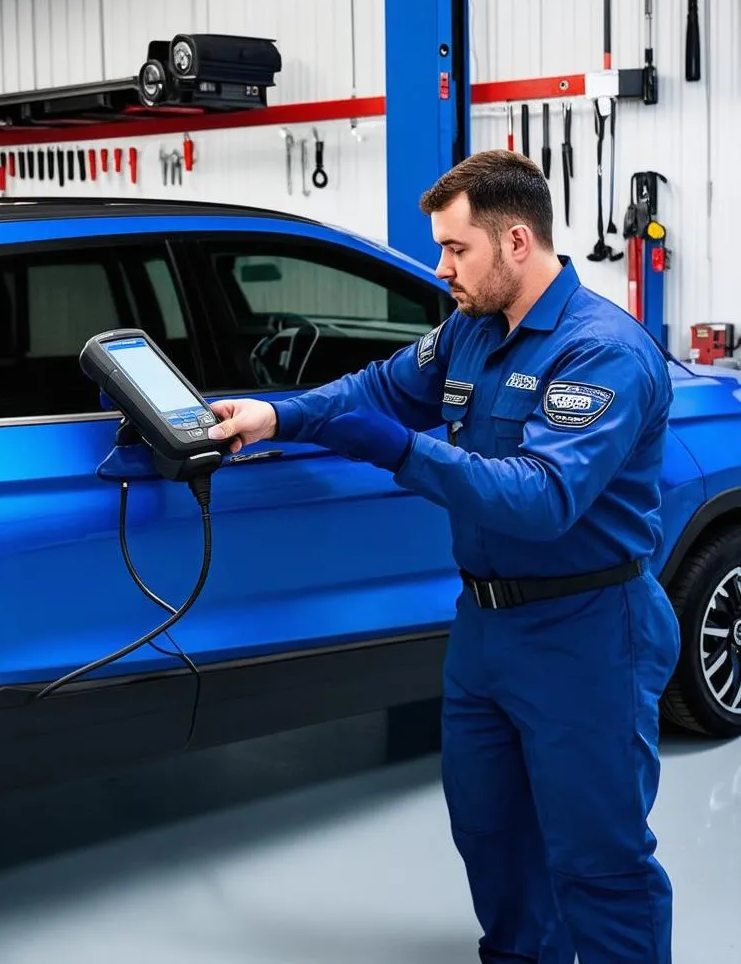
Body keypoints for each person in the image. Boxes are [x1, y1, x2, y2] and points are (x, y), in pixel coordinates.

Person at [205, 149, 681, 964]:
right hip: (486, 633)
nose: (441, 268)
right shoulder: (470, 329)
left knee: (600, 862)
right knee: (493, 839)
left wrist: (396, 452)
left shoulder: (600, 351)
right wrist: (276, 416)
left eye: (457, 249)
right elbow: (378, 392)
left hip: (588, 632)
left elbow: (540, 496)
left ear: (518, 242)